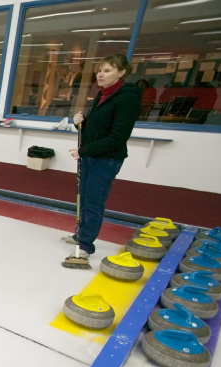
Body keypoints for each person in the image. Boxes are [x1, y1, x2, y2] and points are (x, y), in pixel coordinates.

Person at [62, 53, 142, 266]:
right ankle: (80, 235)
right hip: (91, 155)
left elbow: (118, 137)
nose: (101, 74)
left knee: (93, 202)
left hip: (106, 160)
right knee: (85, 197)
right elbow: (98, 127)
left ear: (122, 72)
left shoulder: (127, 98)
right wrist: (82, 123)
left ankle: (85, 245)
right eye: (100, 70)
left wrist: (84, 150)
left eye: (107, 70)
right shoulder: (102, 95)